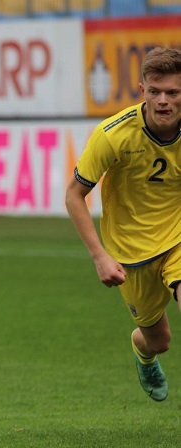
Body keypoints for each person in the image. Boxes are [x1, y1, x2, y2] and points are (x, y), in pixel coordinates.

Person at [65, 47, 181, 403]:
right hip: (131, 253)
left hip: (177, 238)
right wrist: (100, 256)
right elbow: (74, 196)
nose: (163, 101)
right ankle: (143, 352)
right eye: (155, 92)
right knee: (159, 340)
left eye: (173, 93)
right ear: (142, 89)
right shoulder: (113, 134)